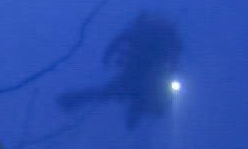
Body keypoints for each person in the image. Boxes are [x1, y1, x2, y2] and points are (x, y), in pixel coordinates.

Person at [57, 12, 185, 127]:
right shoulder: (166, 36)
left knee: (111, 92)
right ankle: (136, 109)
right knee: (143, 96)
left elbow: (118, 40)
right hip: (149, 72)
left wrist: (107, 57)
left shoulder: (143, 32)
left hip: (135, 70)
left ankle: (72, 99)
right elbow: (175, 55)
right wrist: (173, 71)